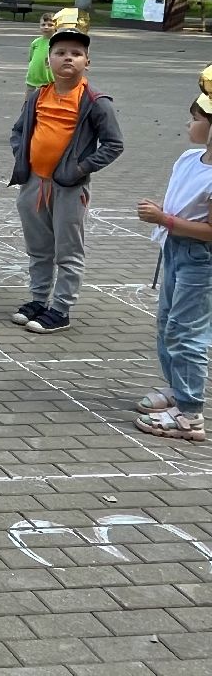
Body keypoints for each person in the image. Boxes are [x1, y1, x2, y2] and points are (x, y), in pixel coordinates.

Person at [8, 9, 124, 334]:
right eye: (60, 53)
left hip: (69, 188)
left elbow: (114, 145)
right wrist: (24, 158)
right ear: (49, 61)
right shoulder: (38, 96)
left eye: (76, 53)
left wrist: (79, 169)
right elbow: (19, 131)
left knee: (68, 251)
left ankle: (61, 308)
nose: (67, 58)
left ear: (88, 61)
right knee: (39, 248)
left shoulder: (95, 102)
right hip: (34, 182)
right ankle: (39, 299)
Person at [132, 69, 212, 442]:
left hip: (200, 257)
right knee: (168, 323)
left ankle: (190, 413)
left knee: (187, 332)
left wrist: (165, 218)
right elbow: (181, 203)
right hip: (174, 248)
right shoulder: (190, 158)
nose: (189, 123)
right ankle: (177, 389)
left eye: (196, 119)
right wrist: (165, 214)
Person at [25, 10, 56, 97]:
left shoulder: (57, 43)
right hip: (33, 78)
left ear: (56, 26)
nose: (46, 27)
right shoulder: (36, 42)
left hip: (49, 79)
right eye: (43, 25)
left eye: (50, 25)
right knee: (29, 102)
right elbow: (31, 58)